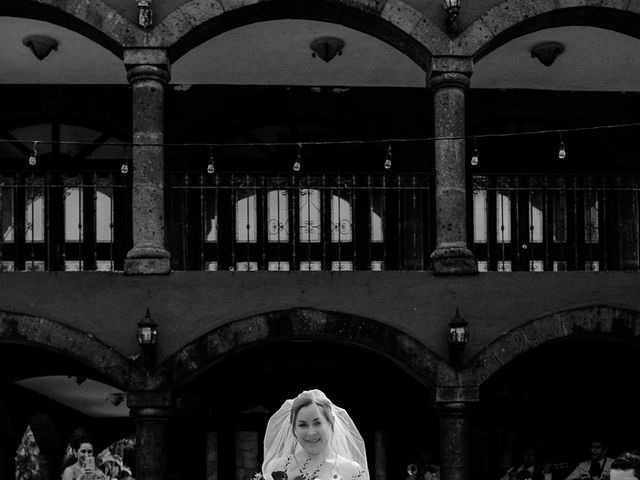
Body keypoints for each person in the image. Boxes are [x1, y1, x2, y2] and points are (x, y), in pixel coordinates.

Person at [261, 389, 369, 480]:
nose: (311, 433)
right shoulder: (277, 468)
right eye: (303, 425)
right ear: (293, 428)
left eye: (317, 423)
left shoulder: (351, 470)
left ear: (331, 423)